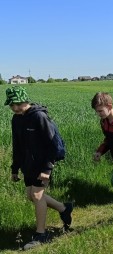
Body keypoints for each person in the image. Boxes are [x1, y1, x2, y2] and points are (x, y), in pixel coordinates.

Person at [5, 86, 73, 250]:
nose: (14, 108)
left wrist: (47, 169)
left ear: (24, 100)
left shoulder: (39, 116)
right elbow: (17, 146)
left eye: (16, 104)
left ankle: (41, 234)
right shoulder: (16, 119)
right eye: (11, 105)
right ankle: (63, 208)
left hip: (43, 164)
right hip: (28, 165)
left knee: (37, 195)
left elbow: (53, 145)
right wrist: (15, 168)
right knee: (31, 195)